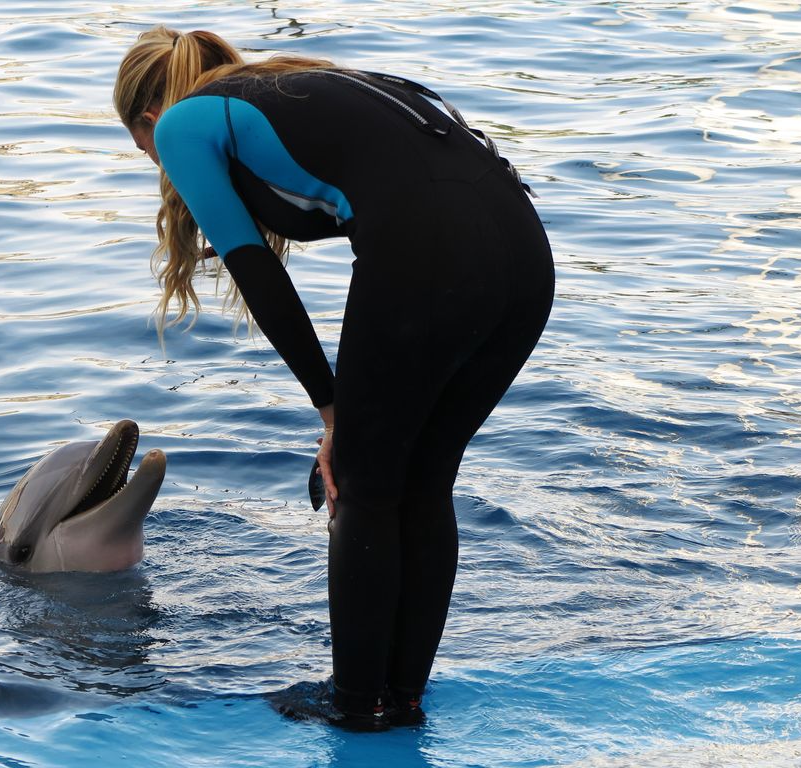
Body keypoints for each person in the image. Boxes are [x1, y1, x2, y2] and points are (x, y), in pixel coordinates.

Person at [113, 26, 554, 729]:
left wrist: (330, 412)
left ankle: (353, 706)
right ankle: (402, 697)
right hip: (525, 256)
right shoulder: (297, 86)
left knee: (362, 485)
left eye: (139, 149)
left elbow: (257, 276)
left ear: (145, 120)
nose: (153, 159)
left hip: (430, 255)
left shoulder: (184, 123)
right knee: (422, 479)